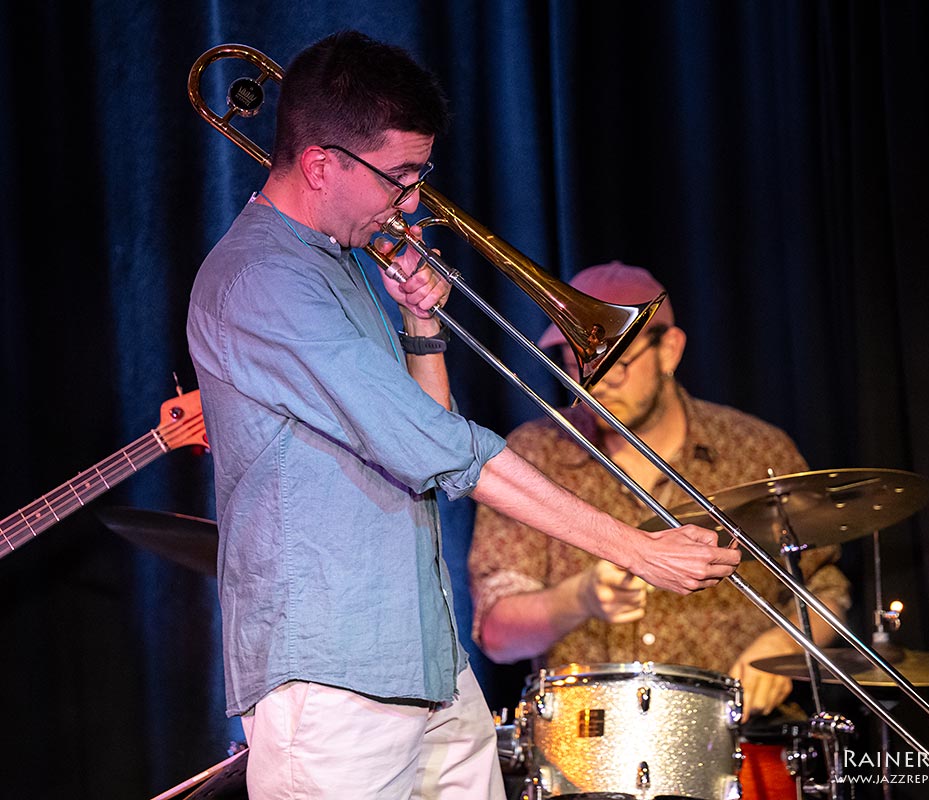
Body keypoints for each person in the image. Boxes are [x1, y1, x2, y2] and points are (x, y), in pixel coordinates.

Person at [185, 32, 738, 800]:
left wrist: (421, 328)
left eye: (420, 174)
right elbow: (443, 447)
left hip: (426, 659)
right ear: (319, 164)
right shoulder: (262, 279)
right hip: (334, 673)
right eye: (399, 176)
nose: (412, 202)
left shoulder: (338, 262)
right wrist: (636, 549)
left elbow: (424, 430)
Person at [469, 261, 851, 719]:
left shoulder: (756, 450)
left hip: (739, 742)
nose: (595, 380)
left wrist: (782, 645)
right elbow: (496, 635)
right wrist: (578, 598)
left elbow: (826, 589)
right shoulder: (534, 453)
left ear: (668, 350)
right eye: (577, 363)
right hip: (588, 749)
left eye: (616, 362)